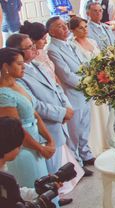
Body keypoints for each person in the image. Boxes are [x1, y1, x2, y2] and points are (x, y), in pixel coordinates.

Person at [6, 35, 72, 179]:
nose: (35, 48)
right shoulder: (13, 85)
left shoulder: (36, 65)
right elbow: (34, 107)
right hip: (33, 136)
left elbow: (56, 87)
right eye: (29, 47)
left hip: (46, 130)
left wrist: (66, 107)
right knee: (42, 177)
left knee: (52, 174)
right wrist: (60, 113)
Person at [46, 17, 94, 174]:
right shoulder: (52, 49)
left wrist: (91, 79)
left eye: (64, 25)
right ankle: (77, 164)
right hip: (73, 93)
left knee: (85, 126)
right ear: (52, 31)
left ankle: (86, 154)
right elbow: (66, 75)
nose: (65, 28)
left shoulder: (70, 43)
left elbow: (83, 63)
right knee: (74, 130)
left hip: (85, 90)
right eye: (59, 27)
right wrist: (86, 84)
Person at [0, 49, 53, 188]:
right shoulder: (3, 95)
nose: (24, 66)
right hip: (23, 148)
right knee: (33, 186)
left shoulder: (18, 84)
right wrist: (40, 149)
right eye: (19, 63)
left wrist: (49, 140)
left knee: (44, 185)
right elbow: (15, 129)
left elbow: (34, 113)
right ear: (6, 66)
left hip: (36, 141)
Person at [69, 18, 109, 156]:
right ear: (73, 30)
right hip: (88, 81)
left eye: (86, 26)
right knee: (91, 114)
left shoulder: (92, 41)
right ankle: (93, 146)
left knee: (103, 110)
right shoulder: (72, 45)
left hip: (100, 80)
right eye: (81, 28)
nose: (85, 30)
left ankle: (106, 140)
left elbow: (101, 58)